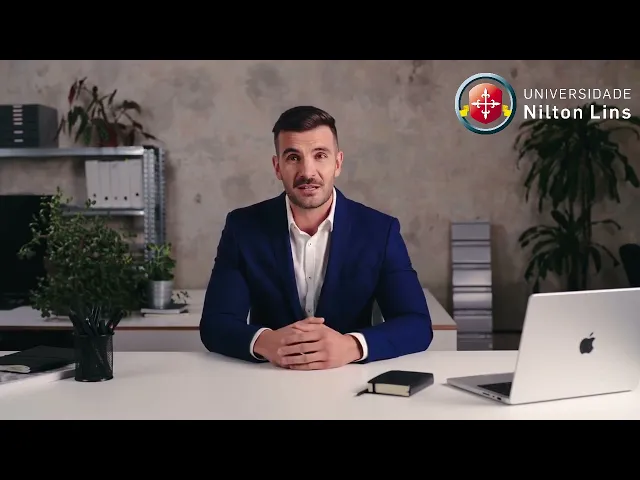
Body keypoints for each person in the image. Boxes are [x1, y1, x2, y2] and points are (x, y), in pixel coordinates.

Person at [199, 106, 433, 370]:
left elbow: (416, 324)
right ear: (277, 167)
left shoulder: (380, 230)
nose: (307, 172)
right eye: (293, 157)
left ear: (338, 163)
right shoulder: (242, 228)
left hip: (350, 380)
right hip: (269, 378)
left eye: (320, 155)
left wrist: (352, 346)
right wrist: (266, 342)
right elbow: (215, 323)